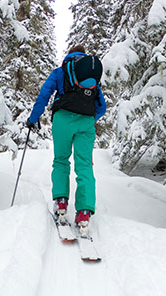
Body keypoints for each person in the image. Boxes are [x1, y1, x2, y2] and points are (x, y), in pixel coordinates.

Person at [26, 45, 107, 232]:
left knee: (61, 160)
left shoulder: (61, 72)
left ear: (69, 55)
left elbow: (44, 95)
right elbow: (101, 107)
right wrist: (87, 120)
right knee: (84, 165)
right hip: (86, 122)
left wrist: (33, 119)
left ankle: (62, 203)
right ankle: (84, 212)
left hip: (62, 120)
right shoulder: (91, 76)